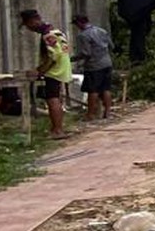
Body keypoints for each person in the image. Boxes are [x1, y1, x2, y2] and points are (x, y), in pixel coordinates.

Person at [20, 9, 72, 138]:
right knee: (56, 98)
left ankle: (57, 130)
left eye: (28, 25)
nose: (29, 29)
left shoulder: (48, 35)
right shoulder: (55, 31)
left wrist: (40, 71)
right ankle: (57, 128)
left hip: (54, 71)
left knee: (52, 99)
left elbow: (53, 57)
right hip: (61, 68)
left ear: (33, 21)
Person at [72, 14, 115, 120]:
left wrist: (73, 59)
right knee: (106, 88)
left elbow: (86, 53)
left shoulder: (83, 35)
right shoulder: (101, 31)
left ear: (79, 23)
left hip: (94, 66)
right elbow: (111, 46)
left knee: (93, 90)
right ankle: (107, 112)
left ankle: (90, 114)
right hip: (107, 63)